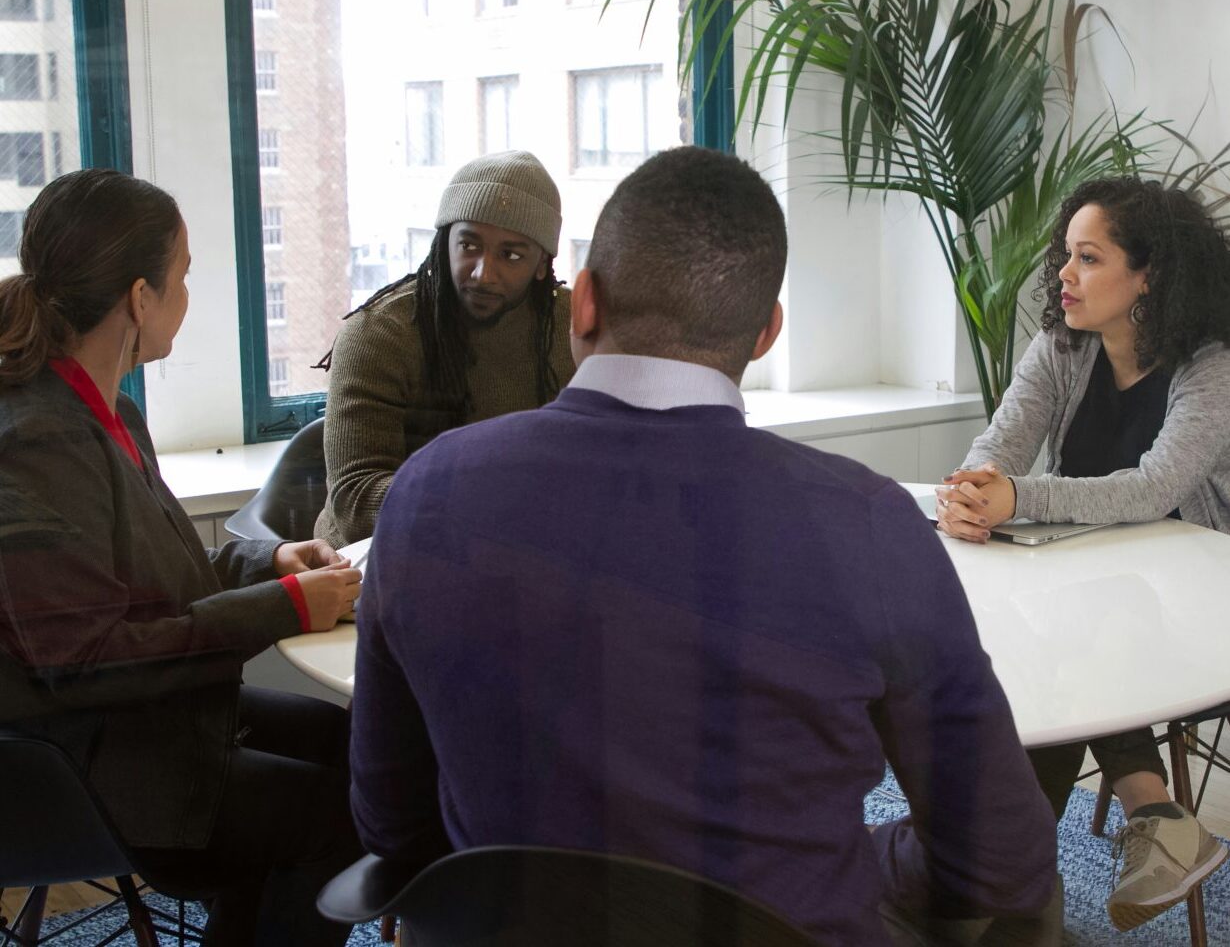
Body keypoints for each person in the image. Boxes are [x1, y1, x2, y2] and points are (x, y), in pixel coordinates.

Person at [349, 146, 1059, 946]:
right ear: (765, 335)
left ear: (582, 303)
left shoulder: (426, 493)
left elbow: (390, 822)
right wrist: (852, 861)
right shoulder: (866, 521)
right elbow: (1002, 859)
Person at [0, 169, 363, 947]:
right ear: (139, 298)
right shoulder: (39, 437)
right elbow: (87, 658)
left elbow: (154, 581)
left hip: (142, 720)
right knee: (337, 821)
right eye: (183, 276)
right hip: (85, 763)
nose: (187, 296)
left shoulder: (110, 411)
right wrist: (288, 609)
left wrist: (274, 567)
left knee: (352, 747)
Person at [935, 177, 1230, 931]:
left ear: (1149, 276)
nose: (1063, 275)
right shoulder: (1060, 347)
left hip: (1206, 600)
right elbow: (998, 448)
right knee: (1058, 630)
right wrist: (971, 491)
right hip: (1103, 594)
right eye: (1066, 255)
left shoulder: (1212, 365)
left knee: (1059, 634)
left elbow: (1154, 486)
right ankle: (1146, 814)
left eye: (1088, 258)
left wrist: (1019, 496)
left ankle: (1006, 879)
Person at [314, 149, 575, 547]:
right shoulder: (380, 333)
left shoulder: (574, 327)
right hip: (379, 565)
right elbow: (356, 504)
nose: (483, 273)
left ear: (542, 263)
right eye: (469, 245)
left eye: (511, 254)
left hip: (526, 553)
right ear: (444, 241)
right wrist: (491, 499)